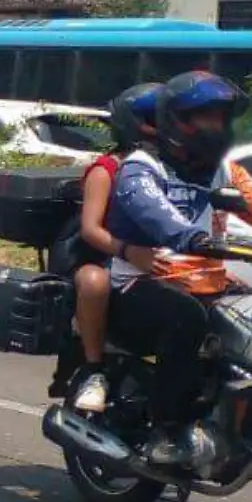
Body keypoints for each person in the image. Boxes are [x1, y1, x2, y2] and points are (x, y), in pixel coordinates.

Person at [105, 70, 252, 466]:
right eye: (205, 116)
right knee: (186, 318)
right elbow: (154, 212)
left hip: (204, 281)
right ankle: (169, 431)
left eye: (220, 117)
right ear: (175, 120)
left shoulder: (224, 170)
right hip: (140, 282)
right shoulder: (142, 167)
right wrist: (190, 237)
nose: (216, 125)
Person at [59, 83, 165, 414]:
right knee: (94, 283)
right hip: (104, 259)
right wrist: (129, 252)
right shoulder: (108, 169)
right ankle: (94, 371)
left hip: (161, 263)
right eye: (156, 117)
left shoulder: (180, 169)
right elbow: (91, 230)